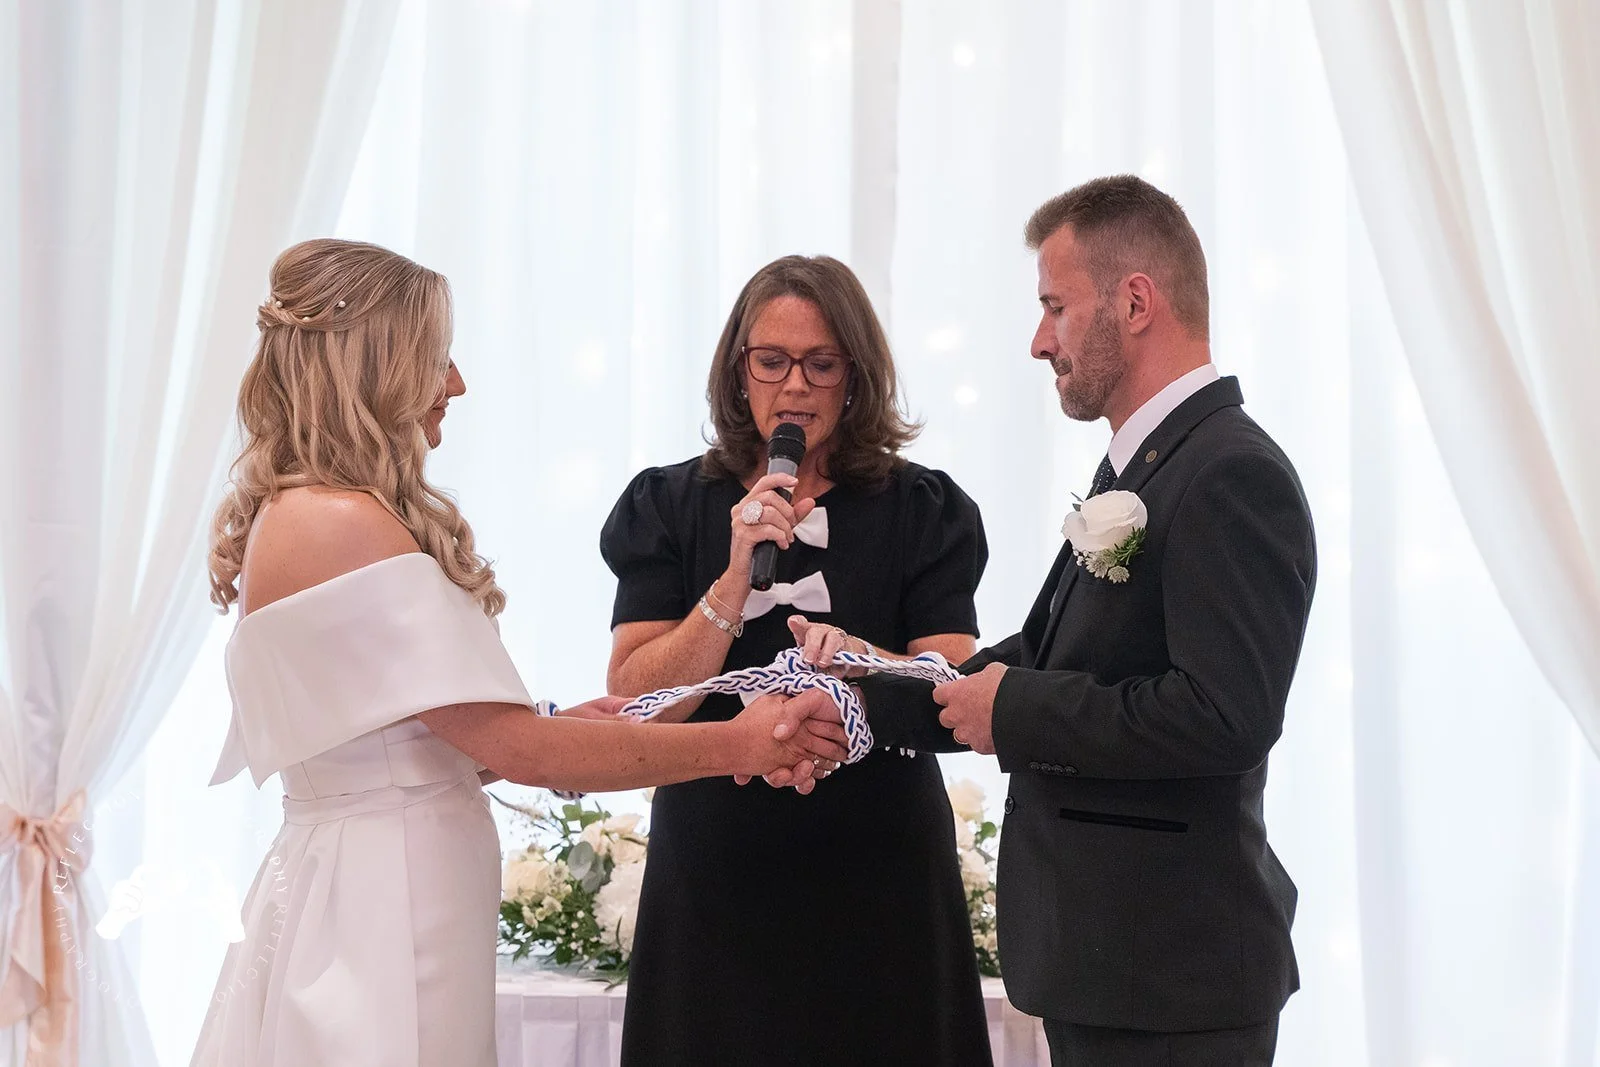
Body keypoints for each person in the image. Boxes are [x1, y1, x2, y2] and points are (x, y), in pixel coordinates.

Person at [189, 239, 843, 1067]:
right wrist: (741, 742)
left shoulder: (310, 511)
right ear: (375, 365)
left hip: (372, 885)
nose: (454, 383)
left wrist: (566, 725)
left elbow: (418, 737)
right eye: (436, 357)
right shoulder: (341, 522)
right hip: (383, 911)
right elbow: (517, 747)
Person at [788, 176, 1317, 1066]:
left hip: (1173, 979)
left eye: (1055, 306)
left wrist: (1015, 713)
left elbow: (1226, 714)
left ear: (1136, 301)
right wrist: (863, 698)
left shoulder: (1228, 473)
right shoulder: (1146, 466)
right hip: (1114, 966)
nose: (1040, 341)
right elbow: (1041, 657)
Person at [601, 254, 994, 1066]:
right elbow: (637, 702)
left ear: (855, 375)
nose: (795, 387)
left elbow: (955, 695)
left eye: (822, 363)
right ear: (737, 369)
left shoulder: (926, 511)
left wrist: (860, 658)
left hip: (882, 884)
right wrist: (733, 579)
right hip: (715, 883)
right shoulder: (667, 506)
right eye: (771, 361)